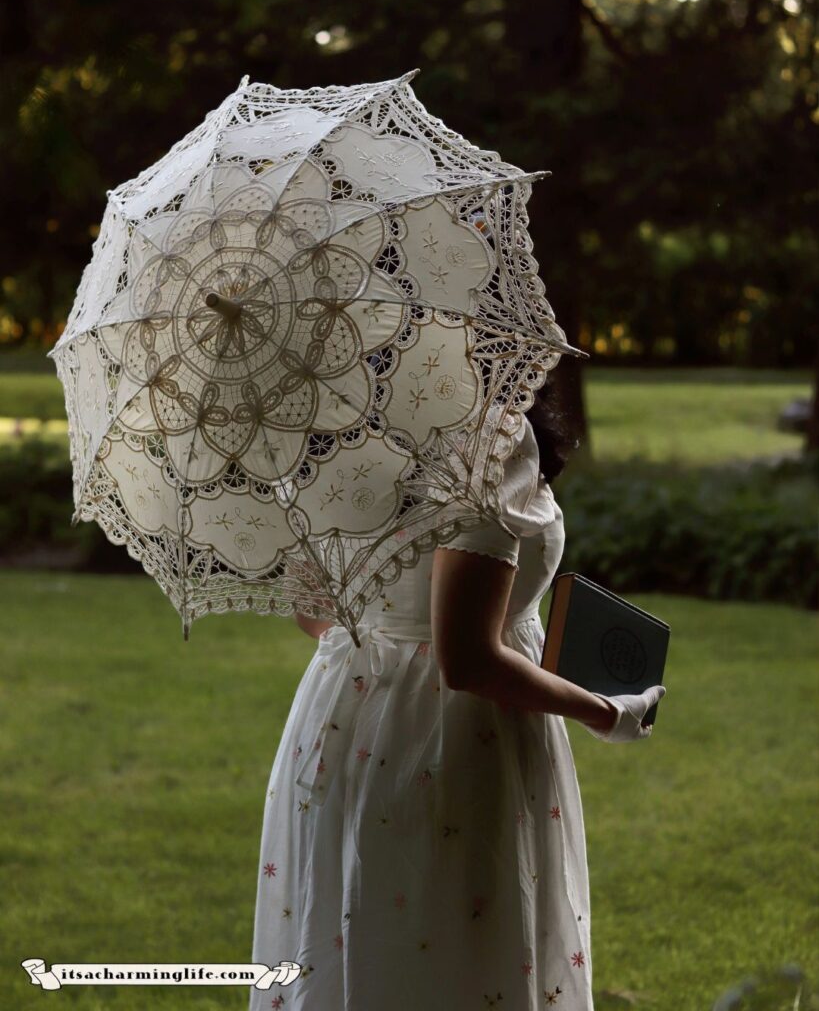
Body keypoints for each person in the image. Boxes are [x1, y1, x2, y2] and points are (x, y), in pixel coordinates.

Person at [249, 382, 666, 1011]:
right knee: (458, 954)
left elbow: (315, 616)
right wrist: (610, 712)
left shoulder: (331, 423)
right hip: (452, 733)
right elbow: (467, 659)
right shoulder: (486, 439)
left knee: (357, 939)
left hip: (340, 720)